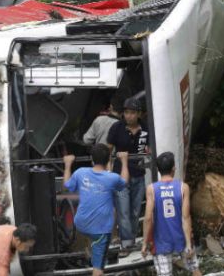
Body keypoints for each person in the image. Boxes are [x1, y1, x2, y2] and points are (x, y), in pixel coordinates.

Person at [63, 146, 129, 276]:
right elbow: (125, 182)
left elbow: (67, 186)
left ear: (92, 160)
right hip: (100, 230)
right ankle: (95, 256)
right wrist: (124, 161)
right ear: (108, 160)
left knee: (91, 232)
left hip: (81, 224)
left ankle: (90, 249)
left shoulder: (80, 172)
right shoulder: (112, 178)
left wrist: (67, 164)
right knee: (98, 269)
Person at [142, 152, 202, 276]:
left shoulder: (151, 189)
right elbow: (186, 217)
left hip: (161, 241)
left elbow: (148, 218)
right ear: (173, 168)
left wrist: (144, 243)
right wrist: (189, 244)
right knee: (195, 270)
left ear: (158, 170)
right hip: (181, 238)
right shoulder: (183, 187)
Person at [106, 96, 149, 256]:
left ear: (139, 114)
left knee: (135, 211)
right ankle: (126, 244)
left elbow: (150, 147)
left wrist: (148, 151)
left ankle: (130, 241)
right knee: (123, 211)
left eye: (132, 113)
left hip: (139, 174)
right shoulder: (116, 127)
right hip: (120, 176)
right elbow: (107, 150)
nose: (128, 116)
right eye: (126, 112)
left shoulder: (146, 128)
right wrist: (107, 171)